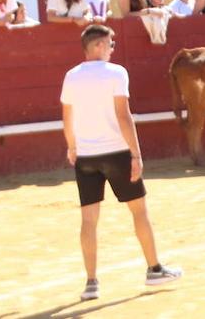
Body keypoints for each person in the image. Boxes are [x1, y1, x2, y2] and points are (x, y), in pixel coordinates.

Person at [60, 24, 182, 301]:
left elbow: (67, 118)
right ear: (98, 46)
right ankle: (154, 269)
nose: (113, 49)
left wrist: (72, 147)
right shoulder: (116, 73)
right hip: (117, 153)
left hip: (86, 156)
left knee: (89, 220)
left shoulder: (71, 76)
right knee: (139, 212)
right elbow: (123, 116)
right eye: (110, 44)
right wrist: (136, 154)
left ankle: (91, 283)